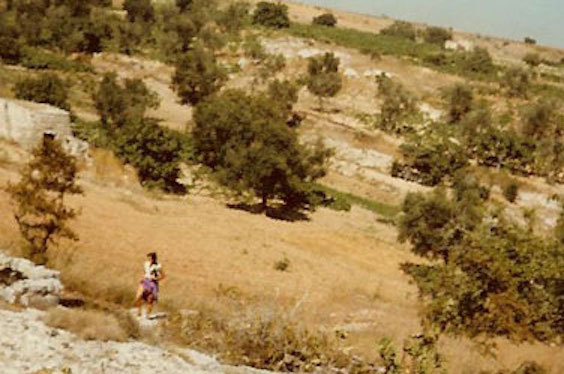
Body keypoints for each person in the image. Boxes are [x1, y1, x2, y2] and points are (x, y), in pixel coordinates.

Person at [134, 252, 165, 318]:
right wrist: (143, 277)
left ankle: (147, 315)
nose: (150, 260)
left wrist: (155, 278)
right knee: (139, 296)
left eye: (151, 259)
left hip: (152, 283)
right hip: (145, 281)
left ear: (154, 259)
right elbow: (145, 272)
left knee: (149, 299)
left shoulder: (158, 266)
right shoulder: (146, 264)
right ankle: (139, 310)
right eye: (149, 259)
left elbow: (163, 275)